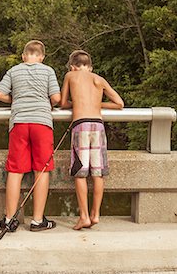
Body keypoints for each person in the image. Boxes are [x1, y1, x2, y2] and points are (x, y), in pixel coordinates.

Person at [0, 40, 61, 232]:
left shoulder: (14, 70)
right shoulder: (48, 71)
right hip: (42, 123)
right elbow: (56, 98)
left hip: (20, 122)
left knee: (15, 170)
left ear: (24, 56)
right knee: (42, 170)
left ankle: (8, 220)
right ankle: (38, 221)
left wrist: (16, 99)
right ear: (41, 57)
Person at [60, 50, 124, 230]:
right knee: (97, 173)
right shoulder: (99, 79)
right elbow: (119, 103)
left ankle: (84, 216)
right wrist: (97, 104)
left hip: (81, 126)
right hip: (98, 126)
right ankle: (96, 214)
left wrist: (78, 104)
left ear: (73, 66)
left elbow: (63, 103)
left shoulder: (71, 76)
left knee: (80, 172)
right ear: (90, 67)